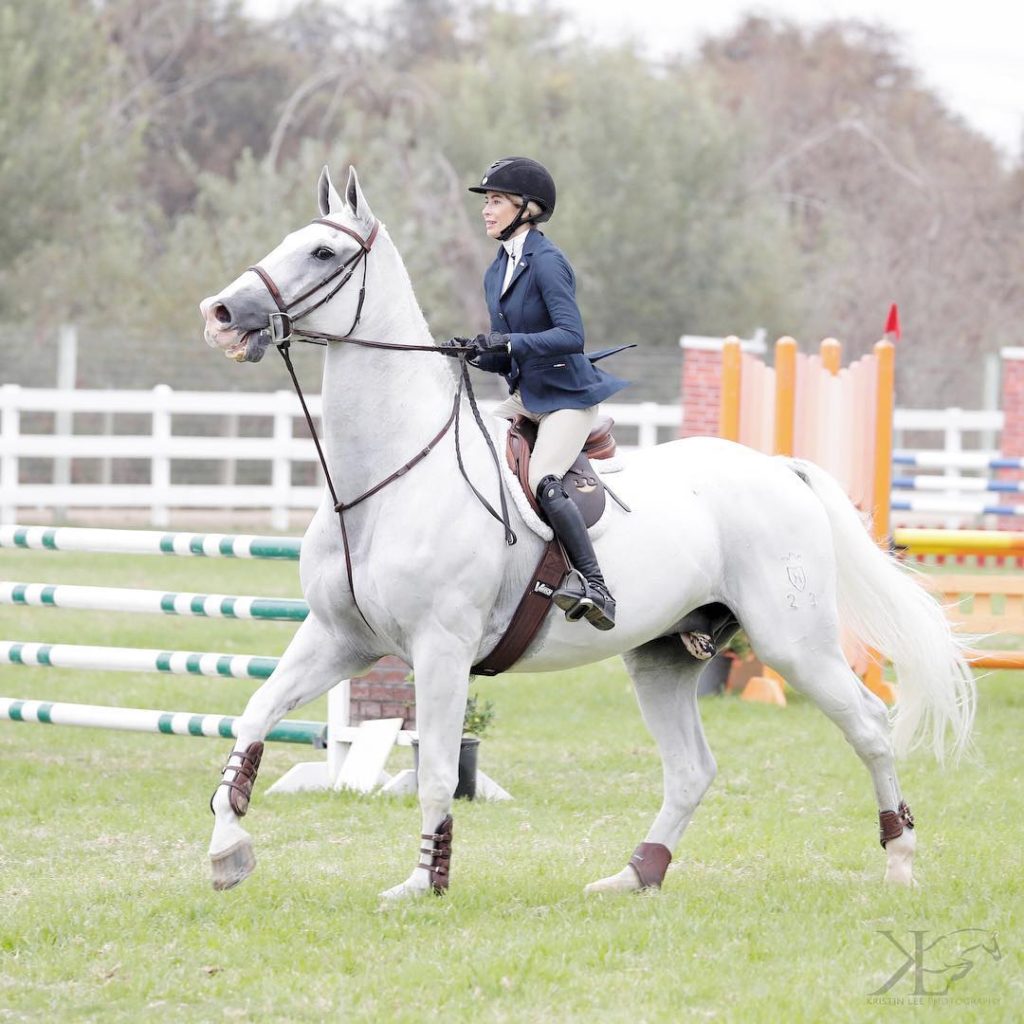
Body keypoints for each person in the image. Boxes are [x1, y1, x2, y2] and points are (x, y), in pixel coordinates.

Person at [449, 158, 716, 654]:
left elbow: (570, 336)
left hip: (566, 400)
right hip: (525, 398)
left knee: (541, 479)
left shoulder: (548, 262)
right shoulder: (496, 270)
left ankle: (596, 585)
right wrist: (478, 351)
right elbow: (511, 350)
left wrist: (508, 345)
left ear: (527, 209)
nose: (486, 210)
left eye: (496, 201)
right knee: (469, 451)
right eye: (486, 201)